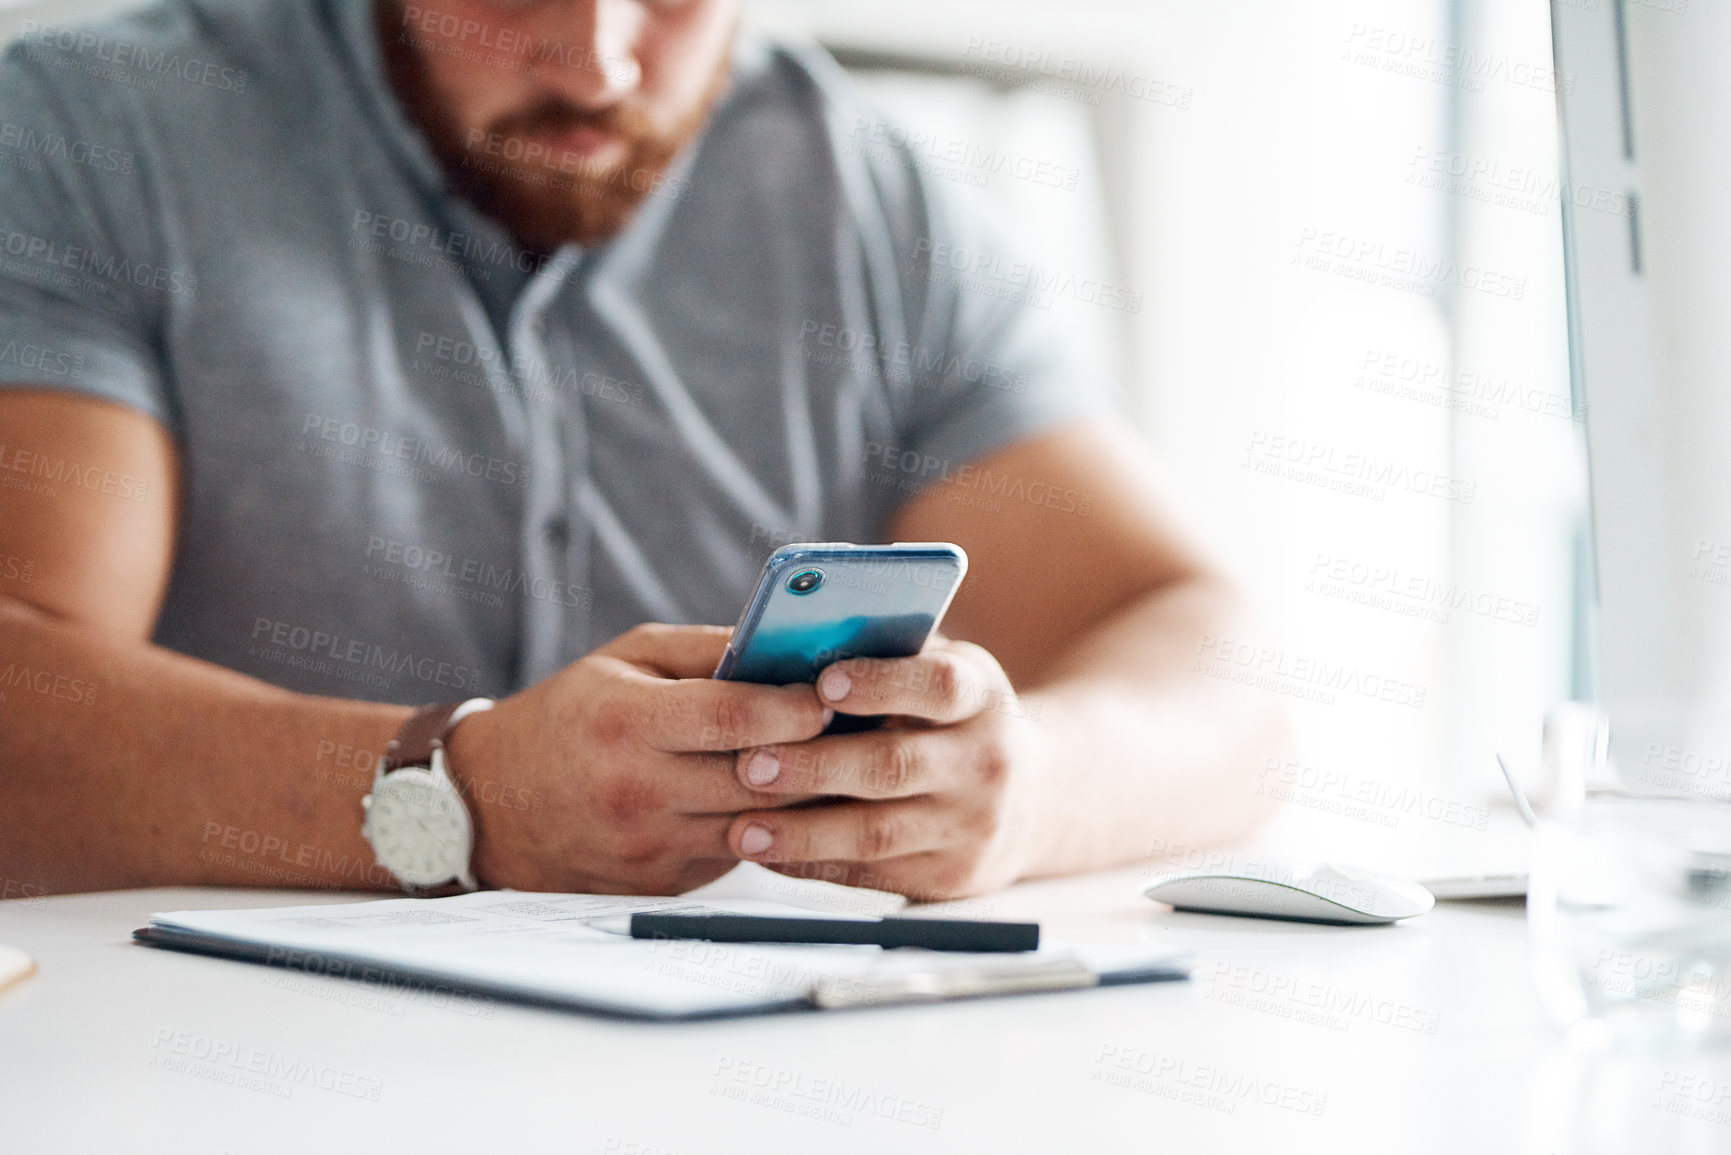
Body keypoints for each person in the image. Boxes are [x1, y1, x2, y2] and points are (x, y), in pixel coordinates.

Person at [0, 0, 1285, 901]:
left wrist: (1026, 791)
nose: (598, 63)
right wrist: (459, 796)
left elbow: (1217, 663)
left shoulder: (873, 206)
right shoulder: (87, 139)